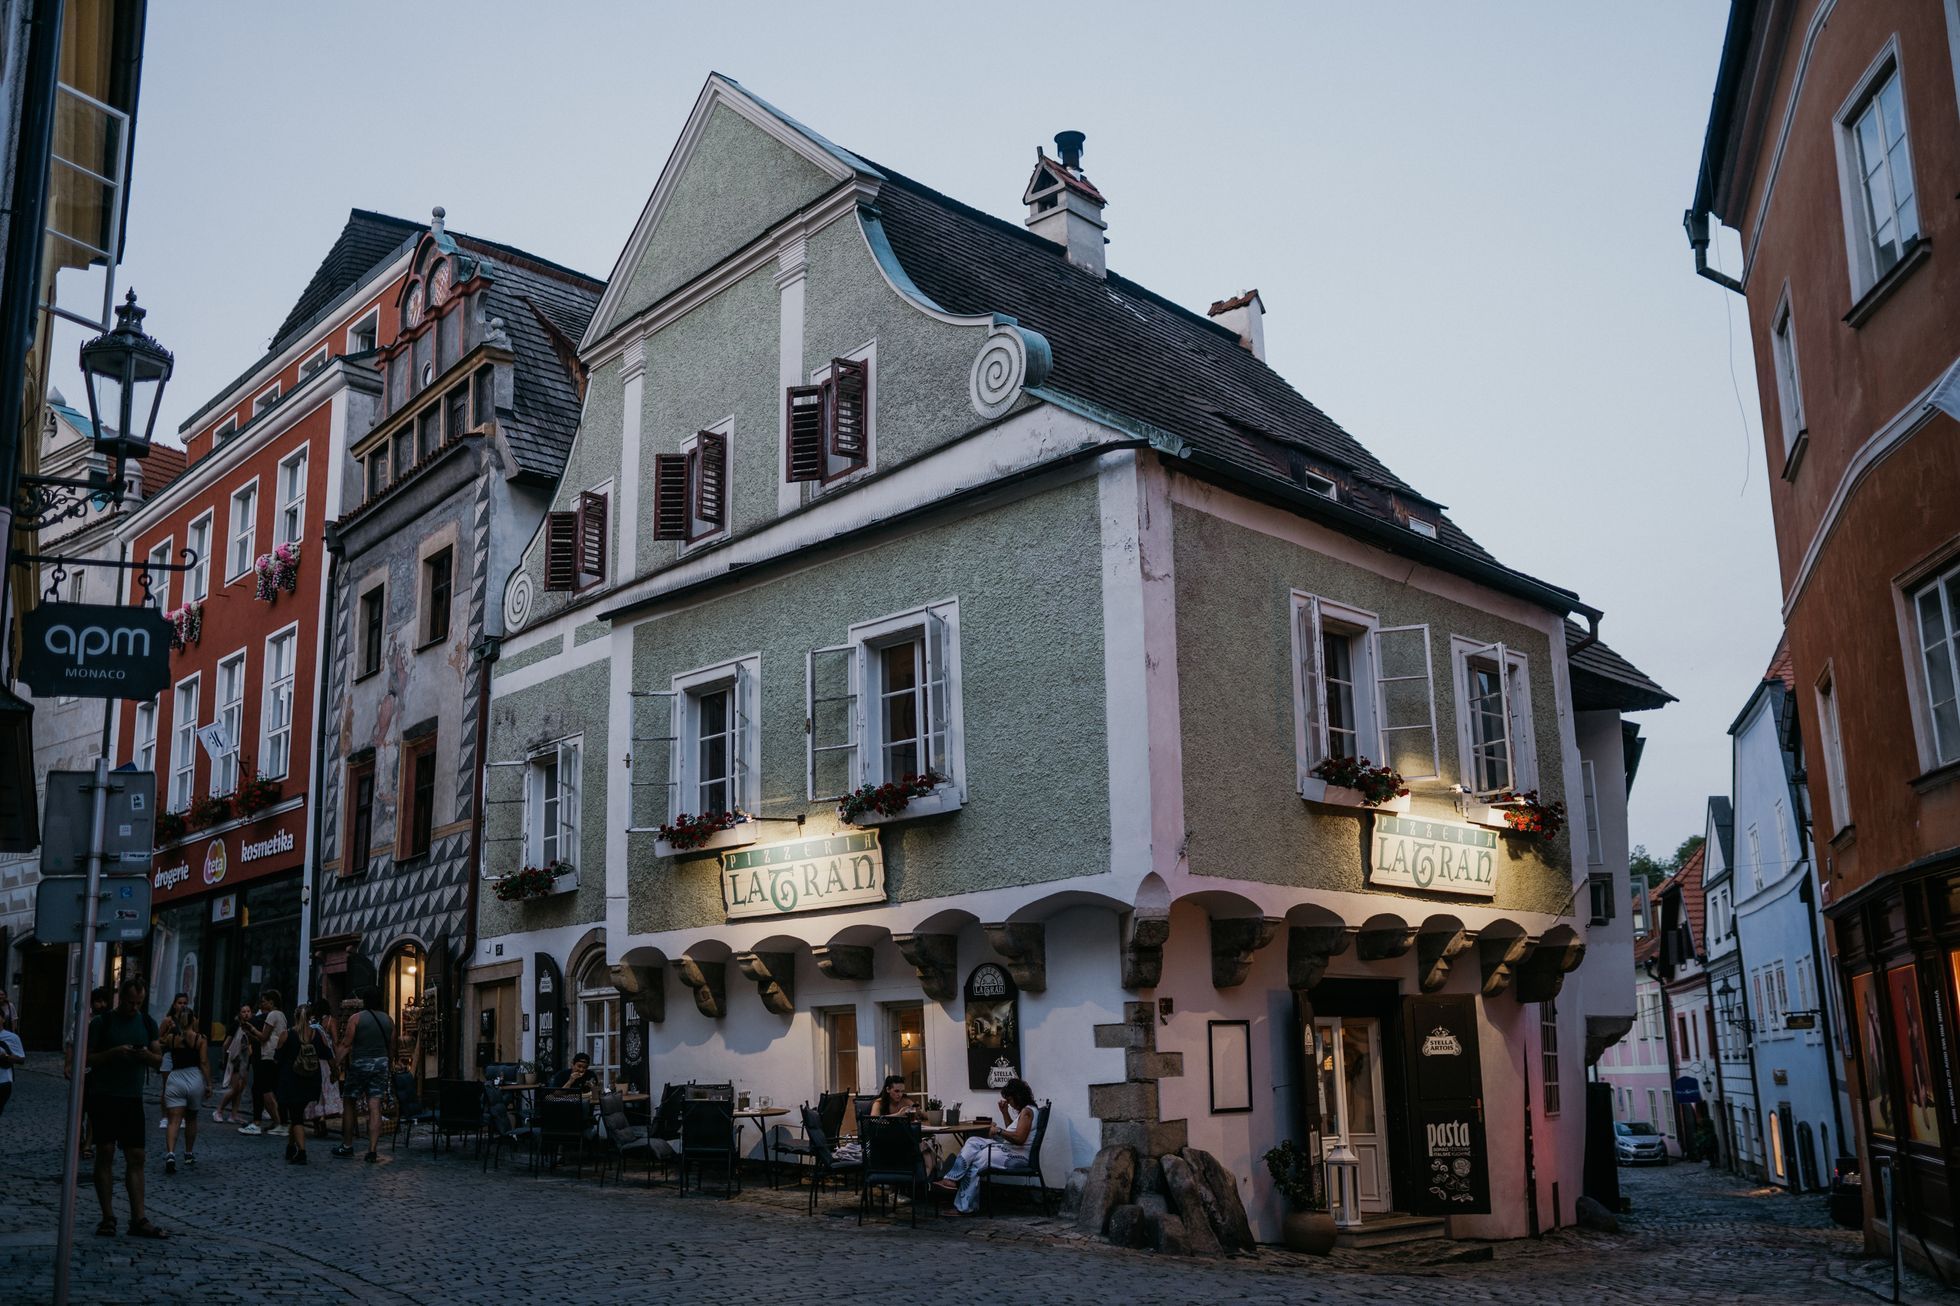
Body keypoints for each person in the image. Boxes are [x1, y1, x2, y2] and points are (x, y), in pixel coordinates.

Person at [86, 976, 166, 1237]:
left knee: (136, 1156)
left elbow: (158, 1060)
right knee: (105, 1152)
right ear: (121, 997)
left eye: (139, 1003)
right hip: (104, 1095)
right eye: (131, 1002)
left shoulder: (147, 1023)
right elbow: (86, 1058)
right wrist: (114, 1053)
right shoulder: (102, 1022)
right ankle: (108, 1216)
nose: (135, 1007)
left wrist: (145, 1056)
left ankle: (138, 1218)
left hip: (132, 1098)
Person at [933, 1078, 1037, 1215]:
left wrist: (999, 1131)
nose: (1010, 1104)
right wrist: (1004, 1112)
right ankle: (954, 1184)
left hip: (1017, 1156)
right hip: (1011, 1150)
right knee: (973, 1143)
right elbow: (1013, 1131)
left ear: (1017, 1096)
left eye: (1010, 1100)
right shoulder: (1028, 1110)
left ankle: (962, 1203)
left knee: (977, 1155)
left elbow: (1019, 1138)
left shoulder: (1027, 1112)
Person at [334, 986, 394, 1163]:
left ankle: (347, 1145)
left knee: (349, 1102)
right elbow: (392, 1048)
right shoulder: (389, 1021)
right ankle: (372, 1150)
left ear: (365, 1001)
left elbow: (346, 1044)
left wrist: (334, 1066)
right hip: (381, 1064)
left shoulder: (356, 1018)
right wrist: (387, 1064)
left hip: (361, 1063)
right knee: (375, 1105)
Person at [274, 1003, 332, 1165]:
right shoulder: (317, 1035)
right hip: (311, 1079)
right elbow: (328, 1054)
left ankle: (302, 1152)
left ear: (295, 1017)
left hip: (291, 1080)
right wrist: (334, 1072)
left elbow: (277, 1058)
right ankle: (291, 1146)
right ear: (310, 1018)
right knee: (296, 1113)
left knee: (297, 1117)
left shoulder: (287, 1035)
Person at [158, 997, 207, 1174]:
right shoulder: (200, 1039)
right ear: (193, 1020)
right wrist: (208, 1084)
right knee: (192, 1118)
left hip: (175, 1078)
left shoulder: (172, 1038)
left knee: (174, 1120)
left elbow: (159, 1042)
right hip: (193, 1077)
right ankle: (188, 1152)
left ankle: (171, 1153)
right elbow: (204, 1062)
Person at [68, 985, 113, 1162]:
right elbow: (71, 1042)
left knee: (95, 1109)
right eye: (98, 1001)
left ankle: (88, 1143)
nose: (101, 1005)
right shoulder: (82, 1020)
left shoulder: (109, 1022)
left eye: (104, 1001)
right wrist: (68, 1064)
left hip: (101, 1071)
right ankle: (78, 1137)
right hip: (82, 1069)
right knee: (80, 1107)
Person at [238, 989, 287, 1136]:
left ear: (271, 1002)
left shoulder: (272, 1015)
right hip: (276, 1054)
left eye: (264, 1001)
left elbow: (264, 1037)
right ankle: (278, 1122)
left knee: (266, 1090)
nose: (262, 1004)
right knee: (271, 1088)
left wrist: (251, 1028)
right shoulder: (282, 1015)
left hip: (269, 1054)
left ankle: (279, 1123)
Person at [213, 1004, 253, 1123]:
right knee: (235, 1088)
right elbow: (226, 1044)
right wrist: (225, 1059)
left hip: (246, 1060)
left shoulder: (251, 1027)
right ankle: (219, 1110)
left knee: (240, 1088)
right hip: (236, 1059)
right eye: (243, 1011)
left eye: (248, 1011)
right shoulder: (236, 1025)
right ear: (239, 1014)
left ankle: (234, 1114)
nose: (246, 1014)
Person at [0, 1018, 24, 1117]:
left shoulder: (12, 1037)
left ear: (3, 1019)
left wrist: (5, 1056)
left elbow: (21, 1059)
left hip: (3, 1081)